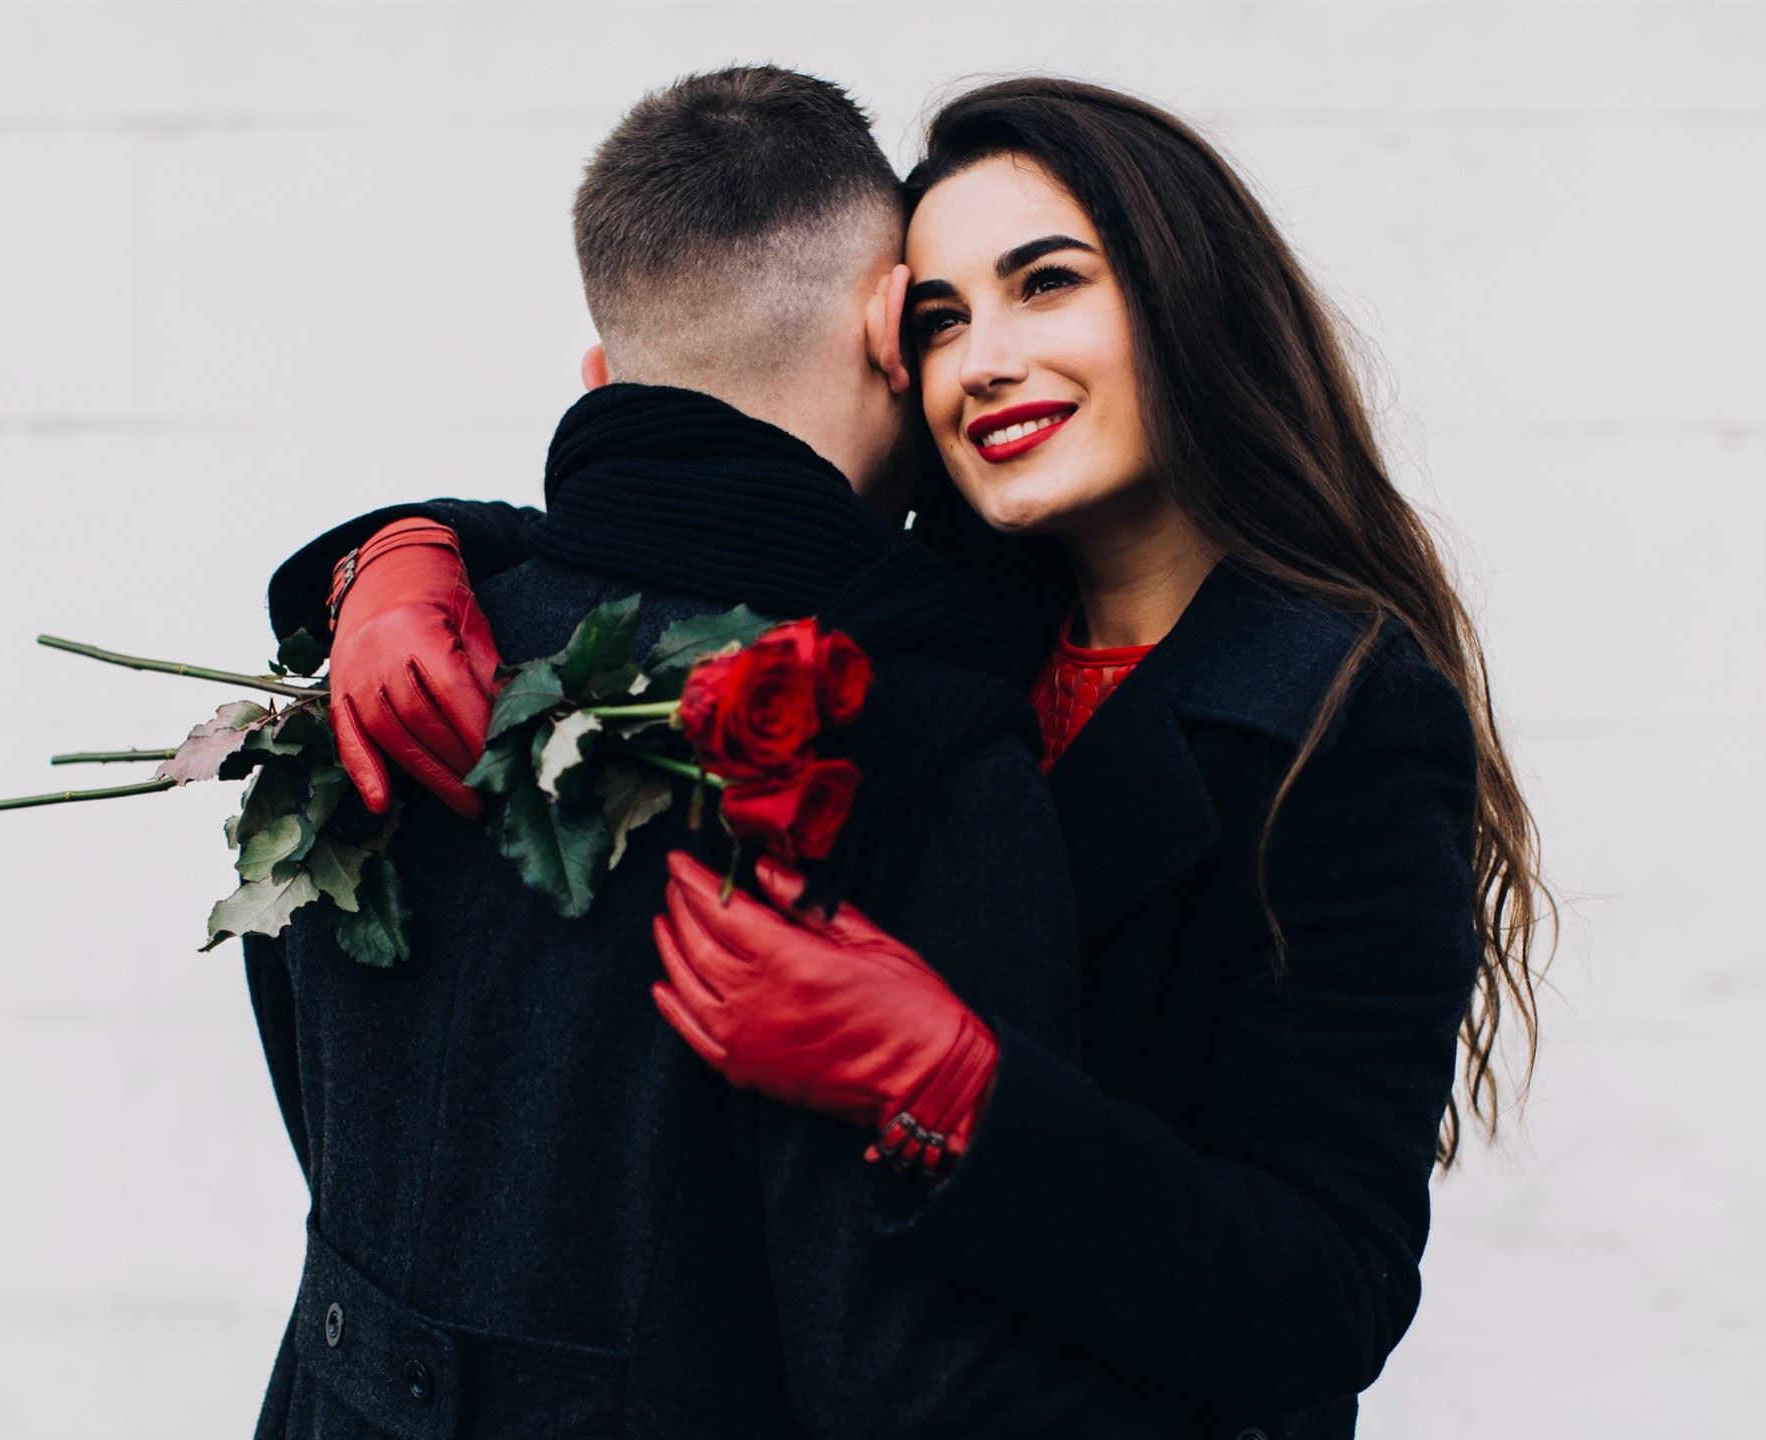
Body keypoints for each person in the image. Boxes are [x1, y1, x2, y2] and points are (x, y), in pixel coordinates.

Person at [281, 77, 1553, 1439]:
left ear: (1186, 299)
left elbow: (1325, 1293)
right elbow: (656, 512)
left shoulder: (1343, 716)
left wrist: (954, 1085)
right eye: (941, 320)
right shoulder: (946, 614)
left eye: (1045, 284)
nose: (981, 360)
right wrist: (395, 555)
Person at [241, 67, 1167, 1440]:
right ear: (883, 331)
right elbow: (931, 1385)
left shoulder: (365, 682)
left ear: (604, 378)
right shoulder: (911, 742)